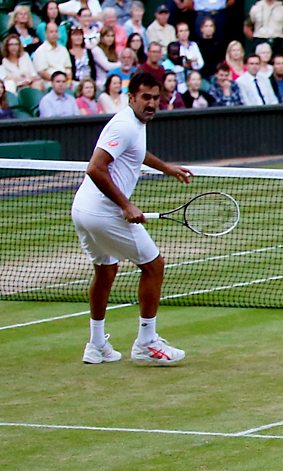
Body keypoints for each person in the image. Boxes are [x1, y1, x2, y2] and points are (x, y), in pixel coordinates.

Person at [73, 70, 192, 366]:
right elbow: (95, 168)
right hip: (103, 212)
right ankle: (146, 342)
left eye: (156, 98)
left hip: (82, 210)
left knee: (106, 270)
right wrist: (126, 205)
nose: (151, 103)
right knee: (154, 266)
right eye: (146, 98)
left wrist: (165, 167)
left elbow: (136, 153)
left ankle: (96, 345)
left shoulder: (136, 124)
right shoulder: (124, 126)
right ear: (131, 98)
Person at [32, 21, 72, 85]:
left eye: (56, 31)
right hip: (49, 82)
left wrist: (67, 80)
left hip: (65, 81)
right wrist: (58, 81)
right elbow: (42, 72)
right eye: (51, 32)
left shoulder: (63, 49)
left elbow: (68, 68)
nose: (54, 34)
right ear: (45, 34)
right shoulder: (40, 51)